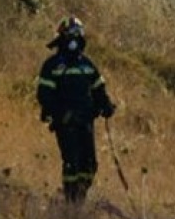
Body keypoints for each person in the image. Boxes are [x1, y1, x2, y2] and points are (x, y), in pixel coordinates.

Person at [35, 15, 116, 204]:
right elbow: (44, 95)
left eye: (77, 35)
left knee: (90, 164)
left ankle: (80, 196)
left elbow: (98, 89)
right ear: (62, 37)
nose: (73, 40)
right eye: (69, 35)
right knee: (72, 162)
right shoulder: (52, 66)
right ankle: (71, 201)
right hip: (65, 122)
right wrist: (59, 114)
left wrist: (106, 106)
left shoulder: (87, 65)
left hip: (86, 120)